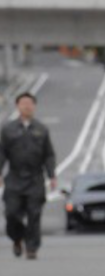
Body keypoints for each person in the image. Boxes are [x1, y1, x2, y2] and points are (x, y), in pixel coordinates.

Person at [0, 92, 57, 260]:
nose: (26, 106)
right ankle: (17, 238)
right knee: (11, 213)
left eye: (29, 103)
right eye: (23, 103)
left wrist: (52, 175)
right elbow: (1, 152)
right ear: (17, 106)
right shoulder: (8, 129)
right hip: (15, 177)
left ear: (34, 106)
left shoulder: (41, 129)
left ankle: (32, 247)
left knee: (34, 214)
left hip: (35, 178)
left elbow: (49, 154)